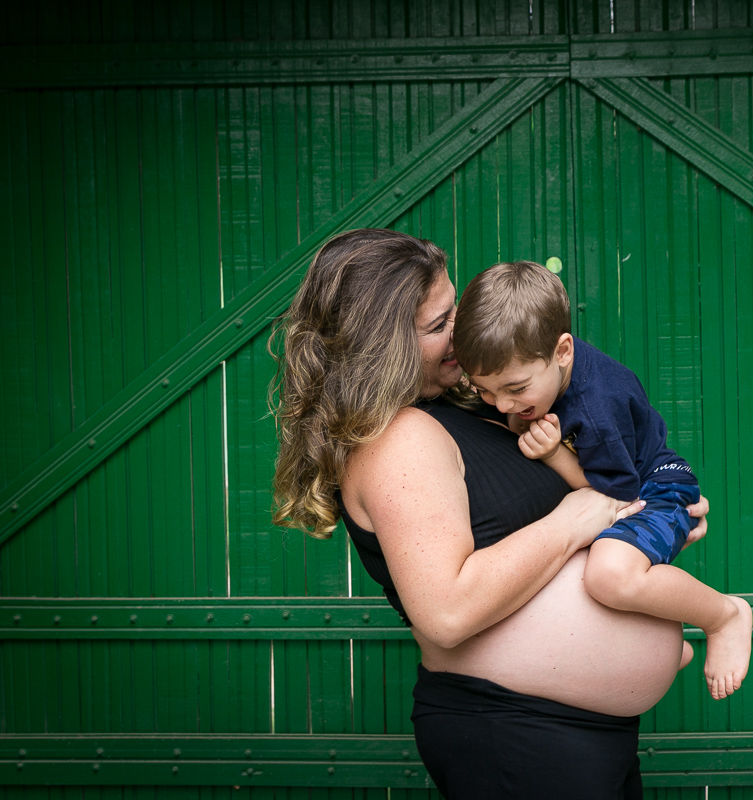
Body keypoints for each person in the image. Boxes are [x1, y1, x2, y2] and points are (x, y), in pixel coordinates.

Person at [270, 228, 710, 799]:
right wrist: (574, 520)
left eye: (454, 308)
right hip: (515, 734)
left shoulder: (479, 410)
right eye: (438, 325)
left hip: (574, 733)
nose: (459, 330)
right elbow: (447, 611)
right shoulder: (399, 440)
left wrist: (653, 522)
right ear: (384, 345)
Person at [453, 260, 753, 701]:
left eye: (515, 390)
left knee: (610, 575)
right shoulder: (538, 369)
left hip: (652, 488)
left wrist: (554, 454)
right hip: (631, 483)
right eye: (484, 390)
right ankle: (655, 643)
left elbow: (614, 497)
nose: (500, 405)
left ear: (563, 351)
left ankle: (723, 615)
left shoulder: (597, 406)